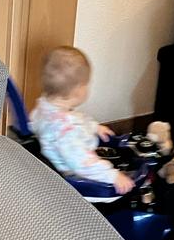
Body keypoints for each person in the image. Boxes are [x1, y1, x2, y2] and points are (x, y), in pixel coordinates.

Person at [30, 46, 134, 195]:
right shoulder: (66, 131)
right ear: (78, 90)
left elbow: (77, 119)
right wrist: (113, 176)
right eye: (87, 83)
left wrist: (94, 127)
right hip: (76, 177)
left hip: (63, 156)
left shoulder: (45, 106)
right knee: (126, 180)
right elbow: (83, 164)